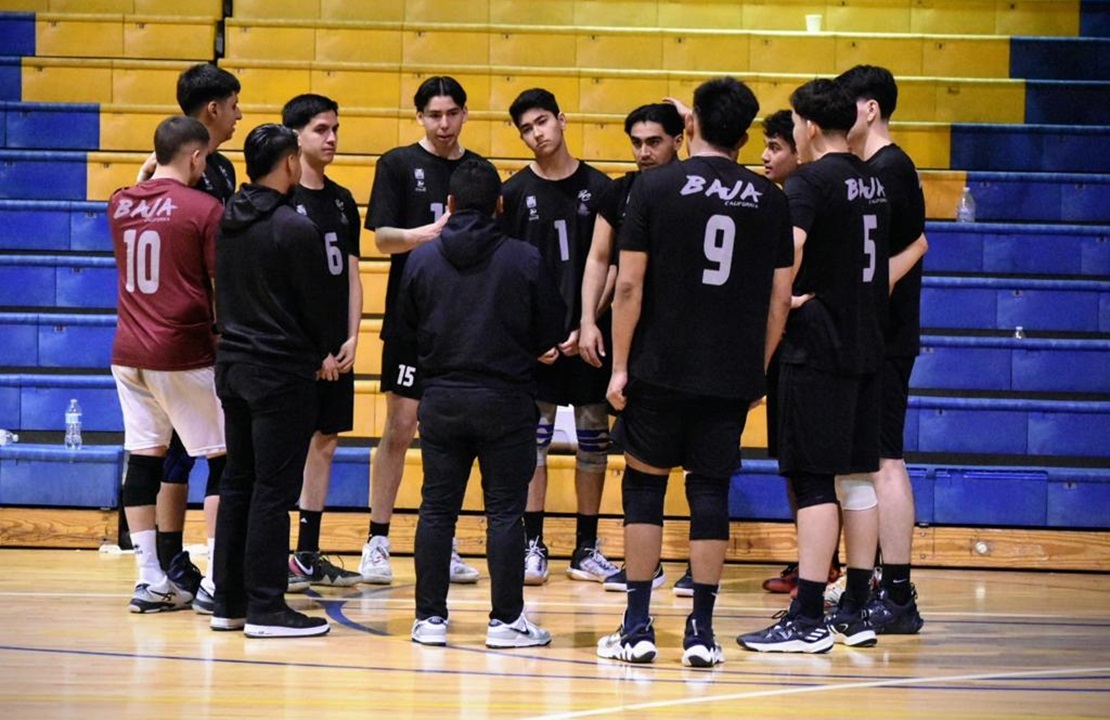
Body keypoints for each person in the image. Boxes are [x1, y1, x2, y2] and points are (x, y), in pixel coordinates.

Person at [596, 77, 794, 667]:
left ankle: (636, 626)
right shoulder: (772, 199)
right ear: (745, 134)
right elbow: (780, 300)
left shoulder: (654, 187)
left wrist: (620, 366)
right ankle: (702, 633)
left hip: (658, 367)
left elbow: (628, 284)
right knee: (709, 492)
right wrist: (754, 370)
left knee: (645, 489)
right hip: (728, 373)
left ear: (691, 127)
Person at [738, 78, 891, 653]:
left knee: (810, 478)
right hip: (865, 343)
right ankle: (855, 608)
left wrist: (777, 309)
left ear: (804, 124)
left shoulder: (808, 182)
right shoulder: (870, 179)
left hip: (817, 347)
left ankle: (805, 616)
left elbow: (791, 252)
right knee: (856, 476)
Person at [403, 158, 565, 648]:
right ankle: (505, 621)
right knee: (503, 513)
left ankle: (429, 619)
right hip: (507, 400)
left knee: (436, 509)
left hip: (442, 398)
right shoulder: (525, 258)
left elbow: (406, 329)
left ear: (449, 206)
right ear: (500, 205)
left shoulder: (421, 259)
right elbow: (551, 332)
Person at [212, 123, 334, 637]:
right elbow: (318, 311)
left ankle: (229, 603)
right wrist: (321, 346)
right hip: (280, 373)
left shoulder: (226, 219)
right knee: (272, 489)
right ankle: (267, 606)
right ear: (289, 164)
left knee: (238, 481)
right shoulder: (294, 227)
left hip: (233, 367)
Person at [359, 76, 481, 586]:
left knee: (447, 435)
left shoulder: (479, 171)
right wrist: (425, 235)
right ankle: (377, 539)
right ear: (420, 117)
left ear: (465, 114)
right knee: (400, 427)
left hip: (462, 324)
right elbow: (382, 238)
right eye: (434, 115)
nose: (444, 124)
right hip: (411, 320)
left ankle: (442, 539)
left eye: (452, 113)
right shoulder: (397, 164)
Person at [133, 62, 244, 614]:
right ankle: (191, 566)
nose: (240, 114)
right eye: (234, 104)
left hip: (151, 338)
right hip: (188, 337)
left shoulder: (214, 172)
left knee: (165, 451)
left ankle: (167, 570)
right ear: (212, 111)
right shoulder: (195, 181)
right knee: (195, 453)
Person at [108, 116, 226, 614]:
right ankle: (221, 581)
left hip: (128, 353)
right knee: (226, 458)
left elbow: (137, 194)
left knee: (144, 458)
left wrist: (145, 180)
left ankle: (150, 578)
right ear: (197, 157)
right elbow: (221, 287)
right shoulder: (205, 209)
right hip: (181, 351)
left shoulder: (119, 203)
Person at [501, 88, 616, 586]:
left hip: (591, 334)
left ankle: (586, 546)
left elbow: (614, 262)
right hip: (538, 344)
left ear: (562, 119)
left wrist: (589, 318)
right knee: (535, 444)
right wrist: (534, 335)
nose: (536, 134)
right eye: (526, 129)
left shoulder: (601, 187)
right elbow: (506, 272)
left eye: (542, 122)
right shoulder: (513, 193)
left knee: (594, 440)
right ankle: (532, 544)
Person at [577, 102, 691, 595]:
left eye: (655, 142)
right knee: (640, 459)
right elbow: (600, 258)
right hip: (636, 341)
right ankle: (645, 564)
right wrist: (586, 321)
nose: (644, 152)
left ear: (678, 140)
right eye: (637, 142)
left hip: (687, 339)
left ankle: (696, 566)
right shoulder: (618, 192)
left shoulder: (697, 186)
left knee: (699, 463)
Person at [838, 64, 929, 635]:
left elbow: (903, 255)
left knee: (885, 461)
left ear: (869, 109)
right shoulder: (878, 169)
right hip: (876, 337)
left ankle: (897, 592)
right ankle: (881, 586)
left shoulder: (890, 170)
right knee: (871, 462)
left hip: (886, 338)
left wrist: (855, 297)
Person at [757, 109, 844, 600]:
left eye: (775, 147)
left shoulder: (808, 194)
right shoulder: (780, 200)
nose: (766, 156)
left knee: (814, 469)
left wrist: (782, 301)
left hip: (811, 348)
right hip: (790, 346)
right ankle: (817, 563)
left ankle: (827, 572)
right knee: (794, 465)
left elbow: (786, 279)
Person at [281, 93, 364, 591]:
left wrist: (352, 336)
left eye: (335, 128)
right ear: (295, 136)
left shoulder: (341, 199)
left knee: (326, 442)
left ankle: (306, 554)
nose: (331, 138)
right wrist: (311, 350)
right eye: (320, 130)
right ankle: (272, 552)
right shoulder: (280, 198)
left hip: (338, 344)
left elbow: (353, 275)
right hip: (297, 349)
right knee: (287, 447)